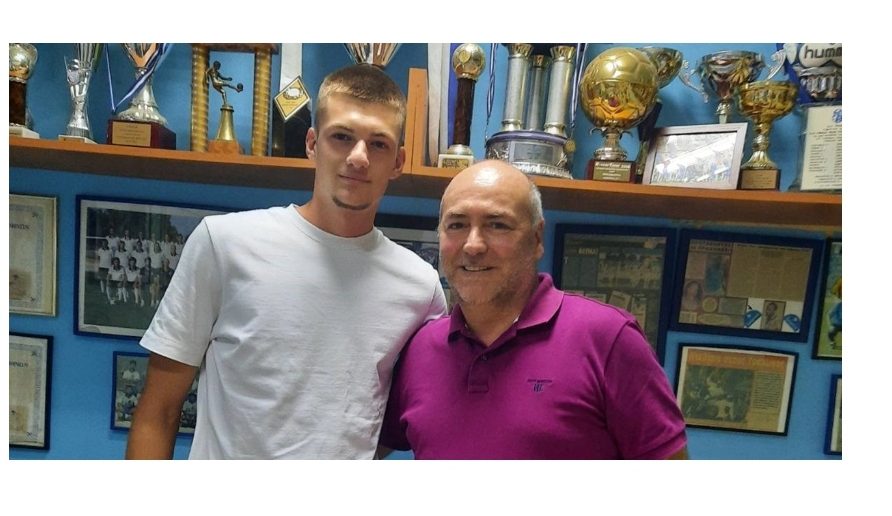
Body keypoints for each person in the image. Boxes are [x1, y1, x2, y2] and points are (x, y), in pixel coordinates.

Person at [126, 64, 447, 460]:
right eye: (342, 137)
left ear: (398, 162)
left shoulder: (420, 287)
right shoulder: (224, 244)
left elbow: (394, 420)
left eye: (378, 144)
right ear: (312, 143)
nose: (358, 157)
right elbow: (158, 411)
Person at [380, 160, 688, 459]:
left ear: (537, 238)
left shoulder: (609, 339)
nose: (473, 245)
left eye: (497, 225)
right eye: (457, 225)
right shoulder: (420, 348)